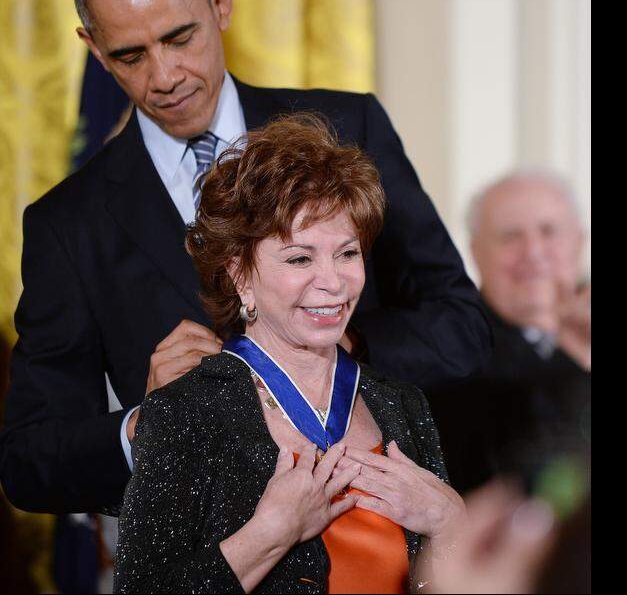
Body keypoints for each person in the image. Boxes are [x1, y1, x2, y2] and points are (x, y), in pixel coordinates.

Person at [0, 0, 490, 516]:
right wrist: (145, 425)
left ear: (221, 4)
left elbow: (463, 327)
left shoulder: (350, 130)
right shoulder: (68, 223)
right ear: (93, 49)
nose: (164, 77)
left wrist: (333, 346)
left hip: (374, 531)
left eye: (180, 37)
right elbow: (28, 462)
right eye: (129, 56)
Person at [114, 114, 464, 593]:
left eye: (347, 253)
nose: (333, 282)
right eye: (300, 258)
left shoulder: (402, 404)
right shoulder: (184, 412)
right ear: (240, 275)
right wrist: (270, 535)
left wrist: (451, 522)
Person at [427, 170, 590, 495]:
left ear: (579, 242)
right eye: (510, 236)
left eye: (549, 231)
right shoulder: (450, 352)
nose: (532, 251)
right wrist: (574, 362)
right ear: (474, 252)